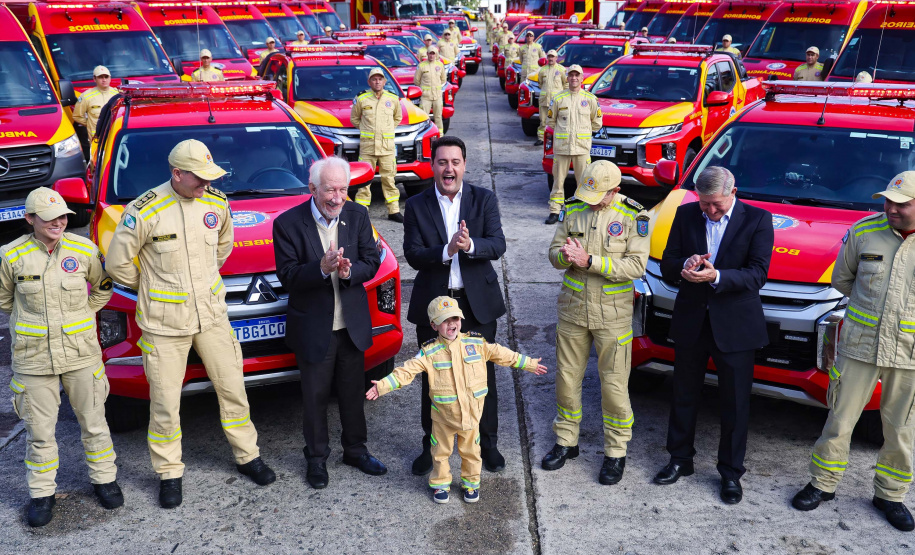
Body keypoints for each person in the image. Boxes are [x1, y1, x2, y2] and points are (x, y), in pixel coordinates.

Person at [106, 139, 275, 508]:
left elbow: (223, 247)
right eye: (198, 179)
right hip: (164, 324)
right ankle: (169, 473)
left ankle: (248, 456)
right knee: (165, 402)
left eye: (208, 178)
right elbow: (118, 264)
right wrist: (152, 287)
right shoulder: (145, 210)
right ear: (176, 173)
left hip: (212, 316)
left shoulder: (215, 203)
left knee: (233, 389)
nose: (205, 185)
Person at [790, 172, 915, 532]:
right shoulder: (863, 232)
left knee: (901, 429)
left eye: (902, 203)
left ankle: (890, 495)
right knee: (839, 421)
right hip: (859, 346)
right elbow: (841, 279)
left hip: (909, 354)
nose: (891, 208)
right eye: (888, 200)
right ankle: (822, 484)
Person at [653, 166, 773, 505]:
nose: (710, 211)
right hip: (692, 320)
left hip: (735, 325)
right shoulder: (686, 213)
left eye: (717, 204)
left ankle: (731, 473)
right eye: (705, 204)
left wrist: (716, 276)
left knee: (735, 403)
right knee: (683, 394)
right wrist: (685, 266)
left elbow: (757, 274)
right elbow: (667, 263)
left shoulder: (758, 220)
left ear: (733, 192)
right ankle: (679, 460)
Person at [2, 188, 121, 527]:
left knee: (94, 423)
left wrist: (84, 313)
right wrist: (33, 326)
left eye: (64, 216)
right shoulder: (11, 256)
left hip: (81, 353)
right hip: (34, 358)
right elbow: (5, 301)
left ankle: (104, 480)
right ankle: (41, 495)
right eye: (50, 216)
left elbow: (104, 285)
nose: (59, 222)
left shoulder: (85, 250)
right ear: (30, 219)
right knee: (39, 431)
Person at [273, 156, 386, 489]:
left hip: (350, 326)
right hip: (313, 329)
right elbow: (287, 278)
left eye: (343, 189)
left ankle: (355, 451)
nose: (337, 198)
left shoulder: (357, 214)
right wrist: (321, 268)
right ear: (312, 188)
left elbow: (372, 261)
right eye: (330, 190)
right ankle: (317, 459)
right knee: (315, 397)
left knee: (353, 394)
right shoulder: (288, 224)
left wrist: (351, 272)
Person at [367, 296, 547, 503]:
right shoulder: (430, 351)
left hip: (471, 414)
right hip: (443, 417)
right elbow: (406, 370)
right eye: (445, 320)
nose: (452, 323)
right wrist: (383, 385)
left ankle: (471, 483)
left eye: (455, 318)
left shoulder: (476, 343)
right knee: (440, 453)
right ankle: (440, 483)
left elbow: (502, 354)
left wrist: (528, 363)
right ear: (434, 325)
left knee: (471, 452)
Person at [403, 136, 509, 477]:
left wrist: (470, 244)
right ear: (432, 165)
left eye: (455, 162)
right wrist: (447, 250)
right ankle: (431, 448)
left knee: (482, 378)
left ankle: (487, 444)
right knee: (433, 380)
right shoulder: (417, 205)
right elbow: (413, 254)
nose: (449, 169)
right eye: (442, 162)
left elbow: (498, 245)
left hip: (476, 305)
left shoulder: (484, 199)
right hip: (435, 307)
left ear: (464, 165)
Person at [541, 161, 649, 484]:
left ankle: (615, 452)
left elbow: (636, 266)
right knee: (566, 378)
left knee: (614, 385)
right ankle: (566, 441)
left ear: (615, 190)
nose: (590, 200)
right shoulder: (574, 207)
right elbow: (553, 253)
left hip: (613, 316)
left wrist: (590, 261)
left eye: (598, 195)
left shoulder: (635, 216)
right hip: (573, 309)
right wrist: (565, 257)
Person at [544, 64, 602, 225]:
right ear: (567, 78)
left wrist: (583, 136)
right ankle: (555, 211)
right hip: (562, 148)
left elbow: (597, 123)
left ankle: (582, 212)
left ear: (582, 78)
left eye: (577, 75)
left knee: (583, 182)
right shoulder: (558, 98)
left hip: (582, 148)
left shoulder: (590, 99)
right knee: (558, 182)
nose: (574, 78)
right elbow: (551, 121)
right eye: (571, 75)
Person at [351, 68, 404, 222]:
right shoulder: (362, 98)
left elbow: (397, 118)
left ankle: (394, 211)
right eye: (374, 79)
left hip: (387, 147)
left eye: (380, 79)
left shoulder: (393, 98)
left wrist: (386, 131)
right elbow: (355, 119)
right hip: (367, 147)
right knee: (364, 181)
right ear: (369, 82)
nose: (377, 81)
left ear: (384, 81)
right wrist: (366, 130)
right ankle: (362, 211)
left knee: (389, 179)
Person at [72, 65, 117, 137]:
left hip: (113, 137)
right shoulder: (86, 96)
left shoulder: (117, 94)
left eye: (106, 77)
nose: (104, 80)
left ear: (110, 78)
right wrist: (90, 124)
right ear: (94, 79)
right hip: (96, 138)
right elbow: (77, 116)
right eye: (100, 77)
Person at [536, 49, 567, 146]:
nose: (551, 58)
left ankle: (557, 140)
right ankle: (541, 139)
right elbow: (540, 83)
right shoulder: (542, 70)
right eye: (549, 56)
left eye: (553, 56)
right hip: (545, 100)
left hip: (556, 102)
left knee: (558, 121)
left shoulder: (562, 70)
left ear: (556, 58)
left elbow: (565, 84)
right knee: (543, 121)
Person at [415, 48, 446, 133]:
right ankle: (425, 136)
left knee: (438, 117)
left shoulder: (440, 65)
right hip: (426, 97)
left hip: (437, 96)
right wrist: (424, 90)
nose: (432, 55)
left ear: (436, 54)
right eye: (430, 54)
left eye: (433, 54)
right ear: (427, 54)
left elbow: (443, 79)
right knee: (424, 118)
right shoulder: (421, 66)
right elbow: (416, 81)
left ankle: (440, 136)